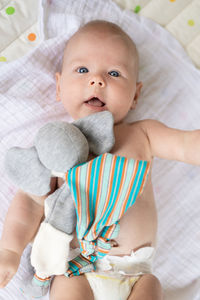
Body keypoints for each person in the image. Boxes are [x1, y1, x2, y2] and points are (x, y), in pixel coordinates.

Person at [0, 19, 199, 300]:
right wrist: (10, 250)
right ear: (59, 87)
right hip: (76, 271)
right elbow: (30, 203)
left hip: (136, 273)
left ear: (135, 95)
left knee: (153, 287)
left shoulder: (142, 134)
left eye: (115, 73)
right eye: (82, 70)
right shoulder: (55, 146)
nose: (97, 80)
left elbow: (185, 144)